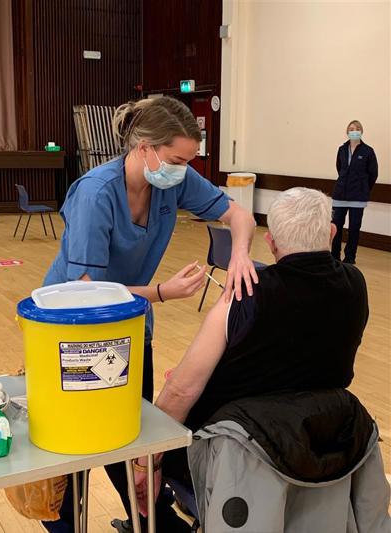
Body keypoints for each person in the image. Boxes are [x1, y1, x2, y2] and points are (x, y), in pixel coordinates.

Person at [42, 96, 257, 532]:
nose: (183, 169)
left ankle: (149, 517)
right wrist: (161, 292)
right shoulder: (96, 194)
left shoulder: (171, 181)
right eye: (178, 159)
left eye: (189, 161)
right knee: (79, 447)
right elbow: (87, 295)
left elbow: (240, 215)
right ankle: (69, 523)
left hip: (131, 322)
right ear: (145, 148)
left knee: (133, 434)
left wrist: (240, 257)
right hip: (72, 332)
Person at [134, 188, 389, 530]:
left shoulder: (245, 293)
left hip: (239, 449)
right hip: (323, 443)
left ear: (270, 242)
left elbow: (181, 391)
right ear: (331, 233)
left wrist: (145, 464)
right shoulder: (356, 285)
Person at [331, 119, 378, 264]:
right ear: (347, 132)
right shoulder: (342, 149)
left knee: (354, 229)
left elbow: (373, 174)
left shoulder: (368, 151)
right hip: (340, 195)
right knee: (335, 227)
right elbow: (340, 169)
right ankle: (334, 256)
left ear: (361, 132)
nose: (354, 131)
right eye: (351, 129)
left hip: (358, 197)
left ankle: (350, 258)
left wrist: (363, 188)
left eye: (357, 128)